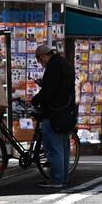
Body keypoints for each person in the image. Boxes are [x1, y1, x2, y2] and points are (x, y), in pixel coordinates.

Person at [31, 44, 75, 189]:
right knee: (63, 148)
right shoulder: (65, 63)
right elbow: (61, 87)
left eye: (39, 60)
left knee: (53, 148)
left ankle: (57, 179)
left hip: (54, 113)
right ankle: (63, 178)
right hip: (66, 112)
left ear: (42, 56)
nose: (40, 63)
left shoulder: (53, 67)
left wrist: (34, 100)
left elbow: (49, 91)